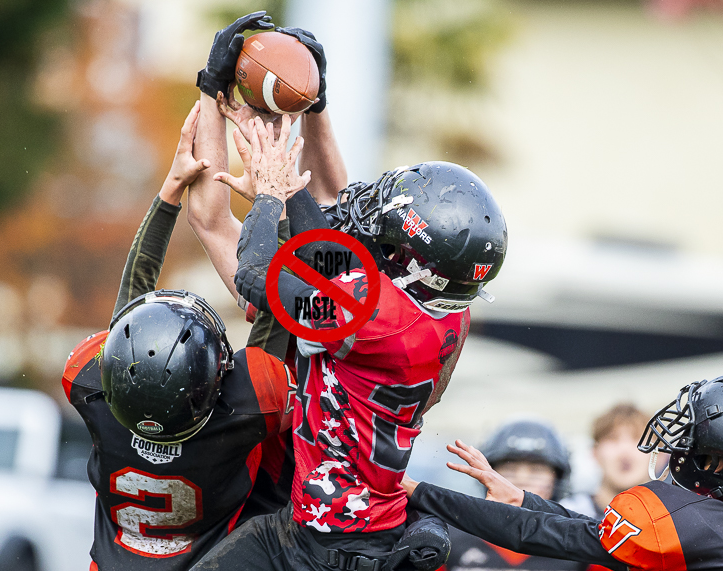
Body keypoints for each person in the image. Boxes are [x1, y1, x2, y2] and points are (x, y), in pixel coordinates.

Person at [188, 94, 507, 570]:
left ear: (422, 269)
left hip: (330, 545)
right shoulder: (443, 310)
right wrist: (288, 182)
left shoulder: (378, 319)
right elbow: (326, 260)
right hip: (343, 522)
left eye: (395, 243)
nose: (381, 240)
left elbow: (254, 274)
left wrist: (272, 193)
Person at [62, 96, 298, 571]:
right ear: (211, 384)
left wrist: (171, 191)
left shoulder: (92, 389)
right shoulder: (244, 407)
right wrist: (273, 203)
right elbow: (277, 307)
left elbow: (126, 322)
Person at [402, 377, 723, 571]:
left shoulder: (687, 522)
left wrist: (419, 491)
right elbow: (590, 530)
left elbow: (560, 535)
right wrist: (525, 499)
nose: (683, 449)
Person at [446, 418, 584, 571]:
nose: (521, 480)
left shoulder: (580, 545)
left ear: (557, 479)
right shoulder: (448, 540)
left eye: (536, 470)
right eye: (509, 469)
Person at [561, 404, 651, 519]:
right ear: (594, 453)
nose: (625, 450)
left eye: (638, 438)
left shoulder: (677, 515)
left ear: (660, 454)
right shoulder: (567, 516)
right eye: (613, 438)